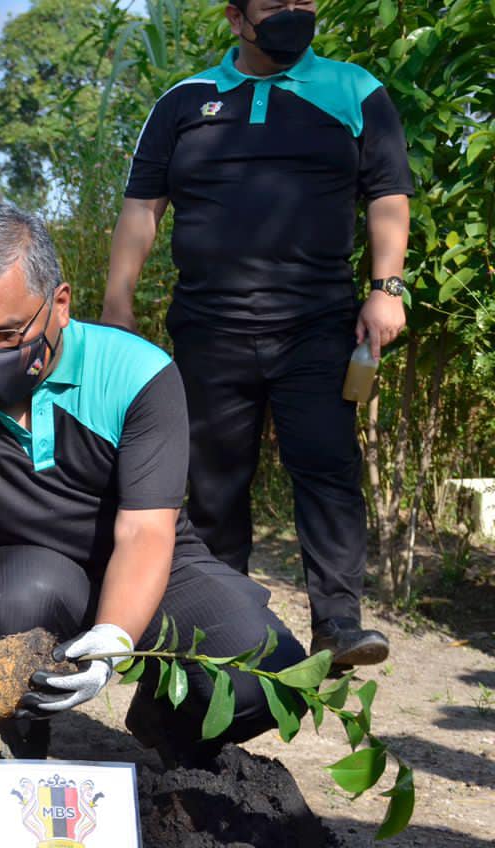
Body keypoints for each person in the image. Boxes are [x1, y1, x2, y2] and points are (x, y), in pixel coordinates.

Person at [0, 204, 306, 764]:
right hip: (24, 569)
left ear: (59, 303)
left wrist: (111, 642)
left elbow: (145, 535)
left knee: (273, 679)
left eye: (6, 334)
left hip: (152, 562)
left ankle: (166, 729)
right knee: (17, 598)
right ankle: (4, 747)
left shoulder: (135, 375)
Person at [102, 0, 412, 667]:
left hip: (320, 323)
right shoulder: (186, 101)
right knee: (214, 484)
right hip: (210, 328)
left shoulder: (355, 90)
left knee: (327, 469)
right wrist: (117, 302)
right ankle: (226, 627)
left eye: (304, 1)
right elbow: (141, 206)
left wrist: (386, 289)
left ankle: (339, 624)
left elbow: (388, 192)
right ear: (236, 16)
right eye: (276, 5)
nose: (294, 14)